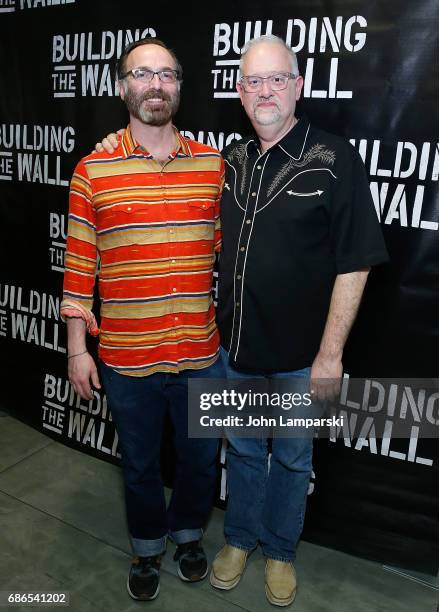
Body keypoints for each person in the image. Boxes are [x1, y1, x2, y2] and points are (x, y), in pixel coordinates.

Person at [96, 34, 388, 608]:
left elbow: (356, 263)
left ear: (298, 86)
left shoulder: (335, 157)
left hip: (304, 360)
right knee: (247, 452)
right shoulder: (224, 160)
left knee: (294, 458)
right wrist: (117, 140)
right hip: (235, 354)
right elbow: (156, 157)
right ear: (239, 91)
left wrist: (330, 355)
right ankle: (238, 539)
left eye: (277, 79)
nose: (265, 91)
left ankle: (279, 551)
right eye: (253, 81)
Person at [61, 37, 225, 602]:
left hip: (202, 353)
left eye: (167, 74)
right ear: (121, 86)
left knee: (202, 458)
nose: (156, 85)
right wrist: (77, 348)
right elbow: (80, 267)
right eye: (142, 74)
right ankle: (148, 546)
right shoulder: (92, 171)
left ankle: (186, 536)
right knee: (138, 463)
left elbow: (234, 249)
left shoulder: (213, 166)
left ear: (180, 85)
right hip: (127, 358)